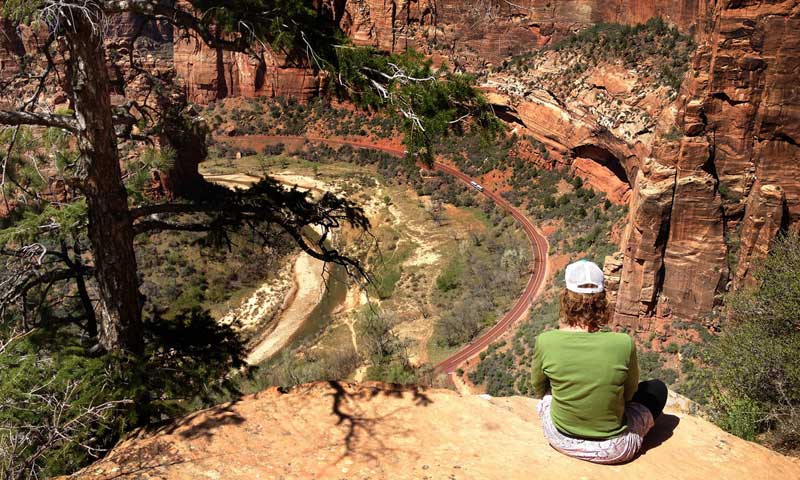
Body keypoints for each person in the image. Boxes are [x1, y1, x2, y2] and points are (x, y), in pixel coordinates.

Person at [531, 260, 667, 464]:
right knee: (657, 388)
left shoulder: (545, 341)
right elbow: (629, 394)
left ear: (565, 298)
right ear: (603, 300)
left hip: (560, 438)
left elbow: (538, 387)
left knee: (551, 391)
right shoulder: (623, 343)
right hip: (613, 449)